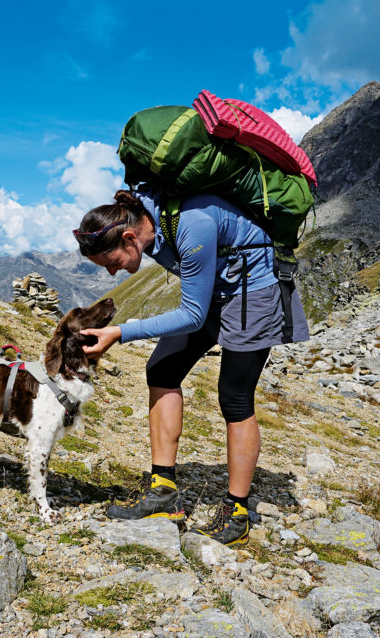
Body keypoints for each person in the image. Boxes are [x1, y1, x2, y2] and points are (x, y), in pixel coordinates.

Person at [73, 187, 309, 546]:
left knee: (234, 397)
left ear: (128, 237)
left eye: (111, 262)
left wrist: (119, 333)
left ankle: (238, 513)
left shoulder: (192, 225)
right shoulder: (150, 225)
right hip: (217, 291)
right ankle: (163, 493)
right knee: (162, 371)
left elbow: (192, 315)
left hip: (254, 292)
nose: (111, 273)